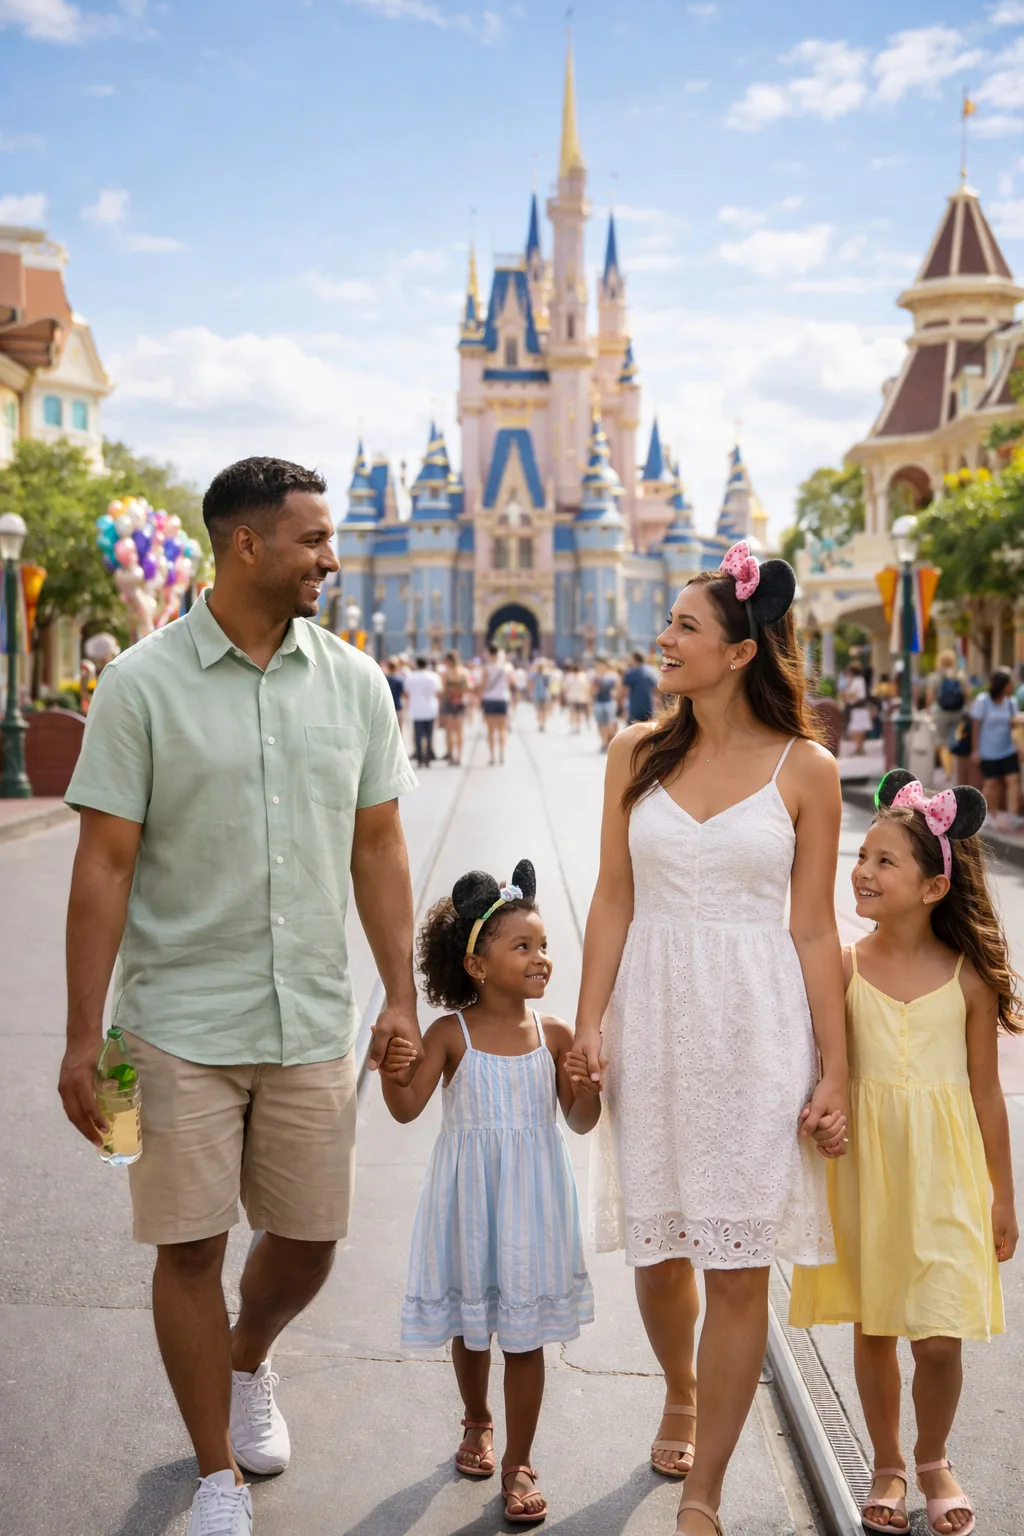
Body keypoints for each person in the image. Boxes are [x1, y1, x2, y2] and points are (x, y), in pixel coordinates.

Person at [57, 456, 422, 1536]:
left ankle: (249, 1356)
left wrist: (399, 994)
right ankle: (216, 1475)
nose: (331, 558)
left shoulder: (356, 683)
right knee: (187, 1246)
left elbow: (379, 844)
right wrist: (84, 1039)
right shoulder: (140, 684)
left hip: (312, 1015)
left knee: (310, 1242)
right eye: (313, 539)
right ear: (246, 544)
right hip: (173, 1025)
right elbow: (104, 868)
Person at [573, 541, 849, 1536]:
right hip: (650, 1015)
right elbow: (611, 896)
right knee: (659, 1249)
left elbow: (815, 930)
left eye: (684, 626)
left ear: (737, 652)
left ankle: (704, 1494)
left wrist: (836, 1069)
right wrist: (588, 1021)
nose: (664, 639)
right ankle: (679, 1388)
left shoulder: (804, 769)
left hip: (757, 1025)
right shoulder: (632, 753)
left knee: (735, 1267)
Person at [791, 769, 1019, 1536]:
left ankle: (933, 1456)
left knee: (942, 1336)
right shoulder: (844, 967)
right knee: (878, 1323)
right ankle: (888, 1461)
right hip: (869, 1172)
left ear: (932, 887)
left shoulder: (970, 979)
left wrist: (1003, 1194)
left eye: (885, 860)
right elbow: (825, 1070)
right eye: (862, 855)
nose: (862, 871)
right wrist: (819, 1115)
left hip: (947, 1176)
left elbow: (987, 1095)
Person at [379, 860, 600, 1525]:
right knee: (473, 1329)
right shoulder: (452, 1035)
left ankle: (520, 1461)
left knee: (525, 1337)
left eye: (544, 946)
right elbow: (406, 1109)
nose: (541, 959)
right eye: (523, 947)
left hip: (533, 1207)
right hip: (471, 1207)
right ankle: (477, 1420)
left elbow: (579, 1121)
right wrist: (394, 1071)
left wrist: (586, 1084)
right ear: (477, 966)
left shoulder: (554, 1034)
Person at [970, 667, 1020, 827]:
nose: (1013, 686)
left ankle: (1013, 816)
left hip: (1008, 749)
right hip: (988, 750)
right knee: (991, 784)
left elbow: (1014, 725)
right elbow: (975, 726)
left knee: (1013, 780)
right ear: (1003, 685)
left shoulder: (1011, 703)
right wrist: (976, 750)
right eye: (1010, 683)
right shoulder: (983, 701)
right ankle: (989, 815)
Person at [927, 650, 966, 781]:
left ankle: (948, 772)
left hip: (941, 712)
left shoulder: (935, 676)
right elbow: (967, 693)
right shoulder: (959, 675)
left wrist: (928, 710)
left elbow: (931, 695)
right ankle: (955, 769)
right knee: (955, 740)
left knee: (942, 742)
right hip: (958, 712)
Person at [405, 655, 442, 768]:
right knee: (429, 734)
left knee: (418, 735)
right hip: (430, 708)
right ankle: (428, 756)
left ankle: (420, 756)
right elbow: (438, 691)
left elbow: (407, 692)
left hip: (416, 709)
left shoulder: (411, 677)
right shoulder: (433, 676)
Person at [479, 644, 512, 765]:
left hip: (489, 700)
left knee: (490, 730)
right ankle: (502, 754)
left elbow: (483, 685)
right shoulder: (506, 668)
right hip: (502, 699)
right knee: (502, 729)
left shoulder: (486, 668)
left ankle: (492, 757)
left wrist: (478, 698)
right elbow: (510, 682)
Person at [441, 650, 470, 767]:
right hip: (460, 702)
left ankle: (452, 755)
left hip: (449, 703)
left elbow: (443, 690)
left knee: (449, 731)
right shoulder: (464, 672)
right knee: (459, 731)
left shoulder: (446, 674)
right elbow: (468, 687)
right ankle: (459, 756)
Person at [622, 648, 659, 724]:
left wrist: (623, 708)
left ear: (634, 659)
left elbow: (625, 691)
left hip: (635, 708)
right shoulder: (651, 671)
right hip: (649, 708)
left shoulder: (631, 673)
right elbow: (656, 689)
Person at [844, 663, 871, 757]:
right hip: (861, 708)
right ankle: (860, 748)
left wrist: (845, 693)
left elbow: (853, 694)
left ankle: (859, 748)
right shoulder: (860, 680)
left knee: (855, 730)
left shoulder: (856, 681)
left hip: (857, 708)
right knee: (861, 729)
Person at [592, 657, 619, 752]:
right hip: (599, 701)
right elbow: (592, 690)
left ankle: (609, 741)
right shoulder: (595, 676)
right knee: (600, 723)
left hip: (609, 702)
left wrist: (615, 694)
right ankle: (603, 743)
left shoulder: (613, 675)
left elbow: (618, 688)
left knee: (609, 724)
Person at [530, 660, 552, 732]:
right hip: (537, 694)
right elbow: (531, 683)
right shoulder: (534, 675)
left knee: (544, 710)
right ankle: (540, 723)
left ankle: (543, 724)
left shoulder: (547, 675)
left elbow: (550, 684)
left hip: (545, 694)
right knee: (539, 710)